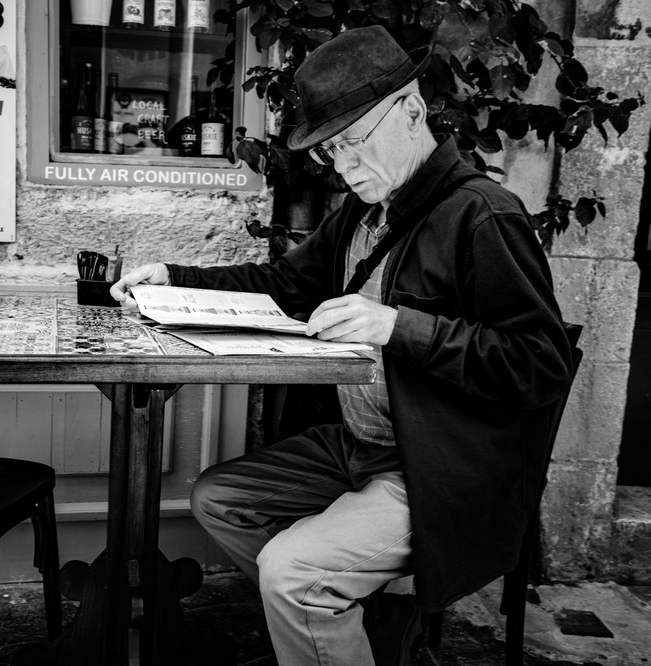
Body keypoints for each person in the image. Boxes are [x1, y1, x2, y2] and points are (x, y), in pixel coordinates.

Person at [110, 25, 573, 666]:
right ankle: (362, 629)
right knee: (220, 501)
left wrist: (398, 325)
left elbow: (540, 363)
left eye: (355, 142)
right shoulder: (361, 212)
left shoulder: (483, 214)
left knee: (292, 572)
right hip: (360, 446)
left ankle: (329, 618)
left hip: (437, 466)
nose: (345, 165)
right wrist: (175, 277)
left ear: (411, 111)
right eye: (332, 152)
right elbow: (281, 284)